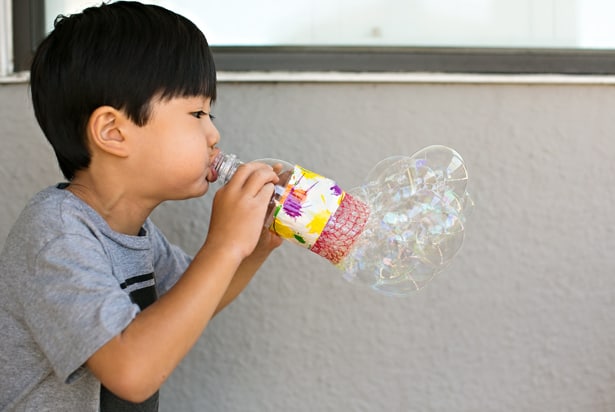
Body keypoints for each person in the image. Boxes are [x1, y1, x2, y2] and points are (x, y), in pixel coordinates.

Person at [0, 2, 282, 411]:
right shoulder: (56, 235)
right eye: (197, 112)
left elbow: (198, 299)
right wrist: (223, 246)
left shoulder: (136, 234)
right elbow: (132, 373)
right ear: (113, 132)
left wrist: (254, 247)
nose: (213, 133)